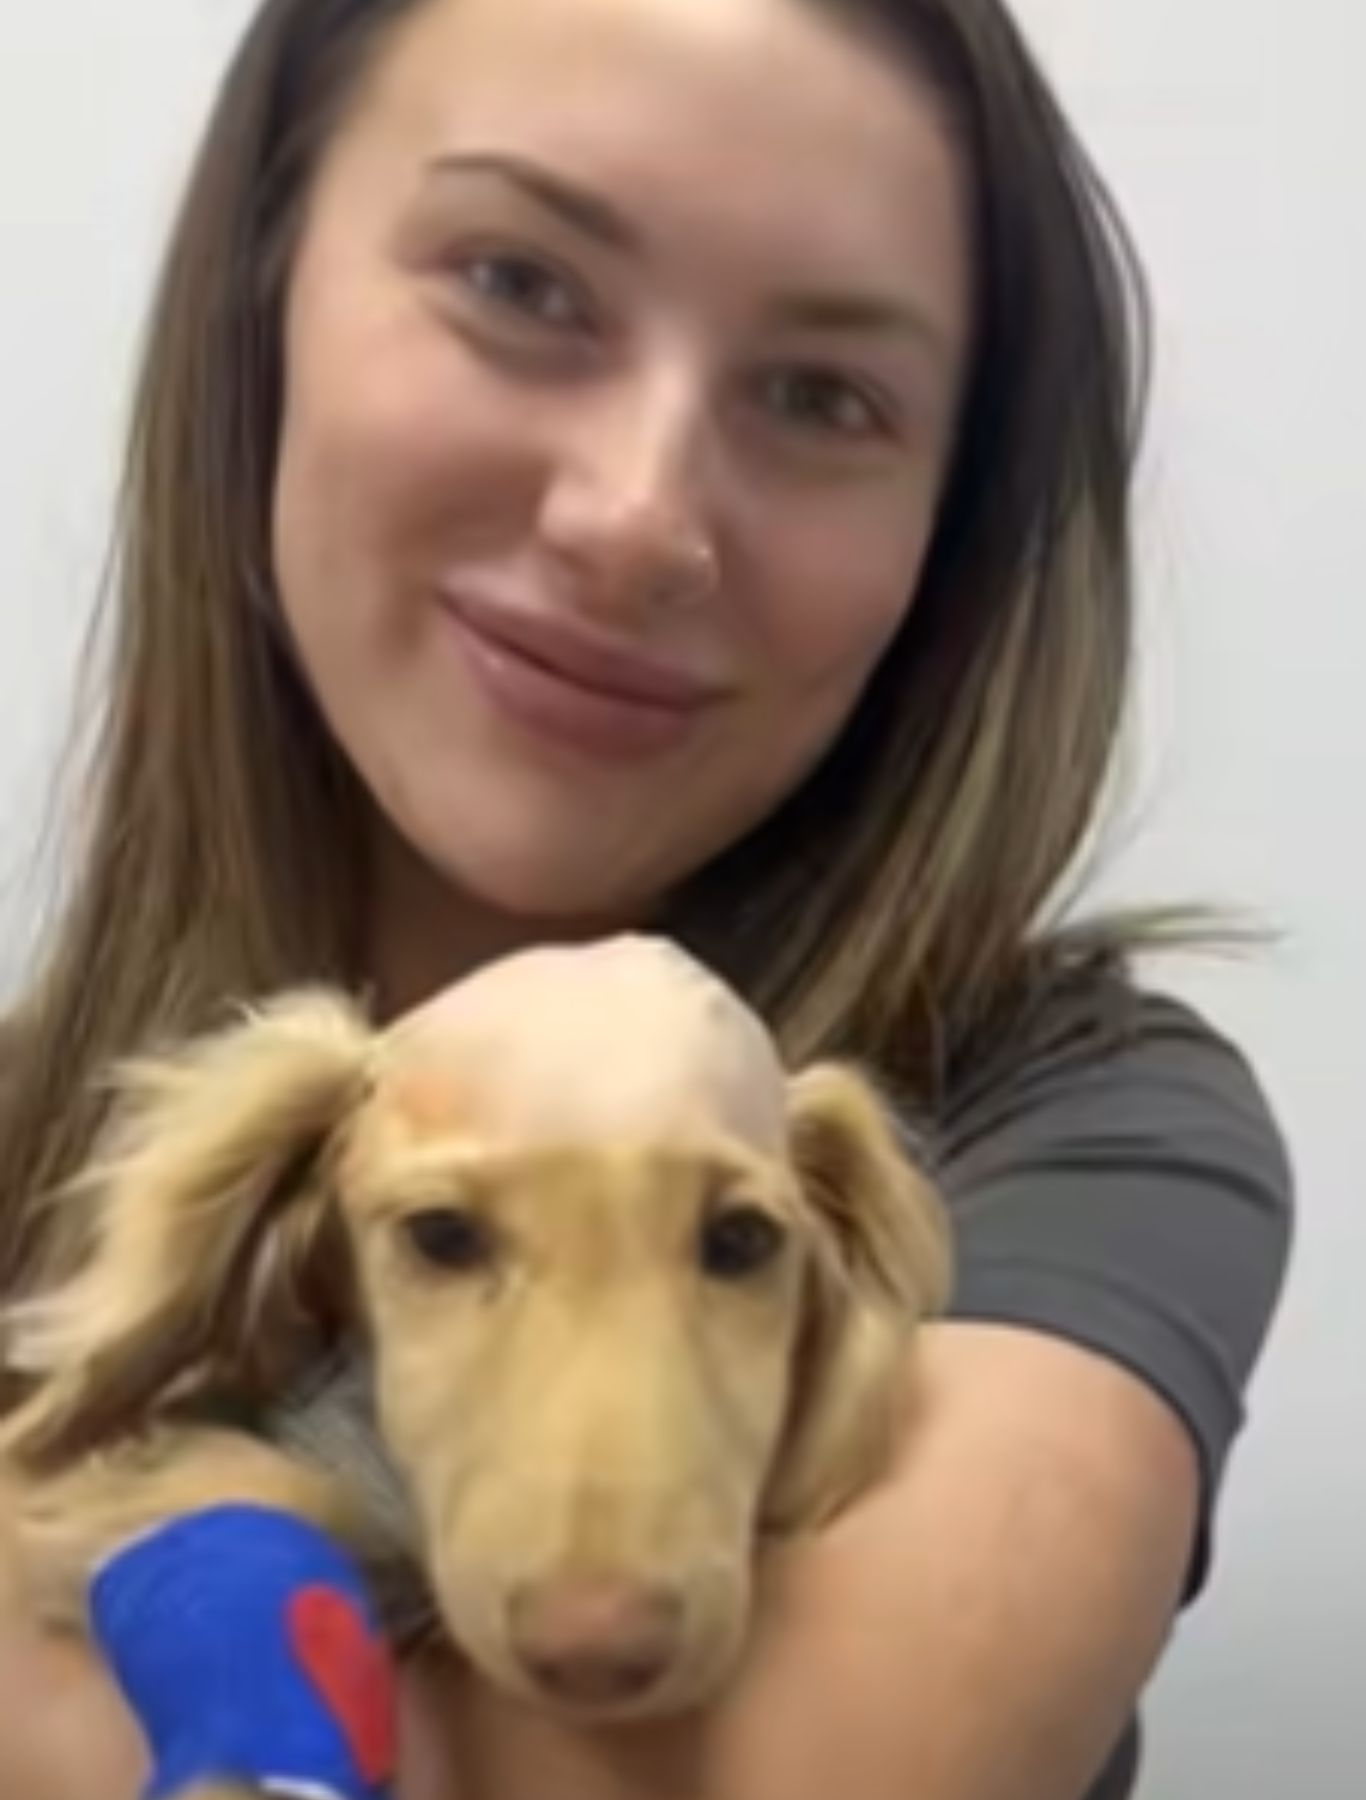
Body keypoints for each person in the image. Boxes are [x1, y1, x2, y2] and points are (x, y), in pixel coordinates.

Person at [0, 0, 1293, 1795]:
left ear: (946, 530)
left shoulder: (1081, 1142)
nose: (635, 518)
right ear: (266, 296)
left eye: (823, 394)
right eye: (522, 283)